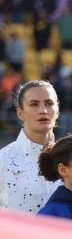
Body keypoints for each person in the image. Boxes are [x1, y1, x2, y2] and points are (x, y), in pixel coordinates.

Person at [0, 80, 59, 213]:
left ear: (57, 111)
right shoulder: (3, 161)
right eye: (34, 104)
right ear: (20, 113)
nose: (43, 110)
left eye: (49, 103)